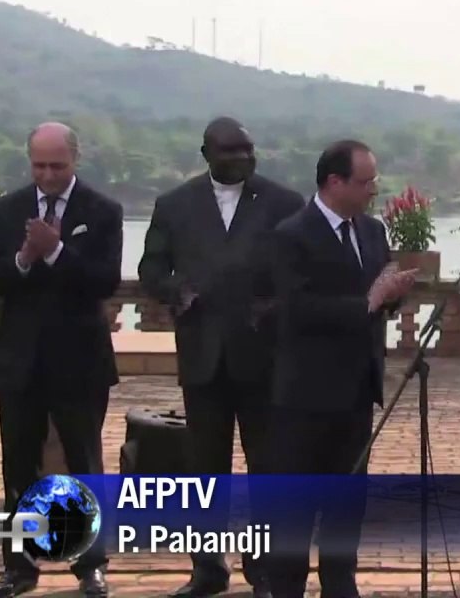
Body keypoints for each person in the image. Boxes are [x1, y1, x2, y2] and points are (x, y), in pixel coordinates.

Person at [138, 116, 304, 598]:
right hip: (203, 356)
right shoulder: (174, 204)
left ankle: (265, 572)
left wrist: (272, 305)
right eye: (231, 151)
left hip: (264, 357)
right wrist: (176, 290)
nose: (242, 158)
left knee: (267, 470)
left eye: (248, 150)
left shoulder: (284, 202)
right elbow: (151, 265)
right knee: (205, 471)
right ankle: (208, 570)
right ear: (207, 152)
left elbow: (298, 273)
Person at [0, 122, 123, 598]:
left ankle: (91, 566)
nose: (48, 174)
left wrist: (55, 251)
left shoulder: (103, 211)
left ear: (75, 160)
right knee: (18, 470)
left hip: (80, 362)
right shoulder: (6, 209)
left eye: (57, 165)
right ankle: (19, 568)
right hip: (20, 364)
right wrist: (22, 258)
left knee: (85, 467)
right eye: (39, 165)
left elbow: (104, 282)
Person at [264, 140, 416, 598]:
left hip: (355, 388)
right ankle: (286, 586)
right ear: (335, 182)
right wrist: (368, 301)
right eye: (365, 181)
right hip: (304, 394)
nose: (374, 190)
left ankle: (340, 583)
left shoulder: (370, 230)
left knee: (346, 499)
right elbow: (296, 310)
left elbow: (378, 300)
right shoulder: (292, 234)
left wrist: (394, 292)